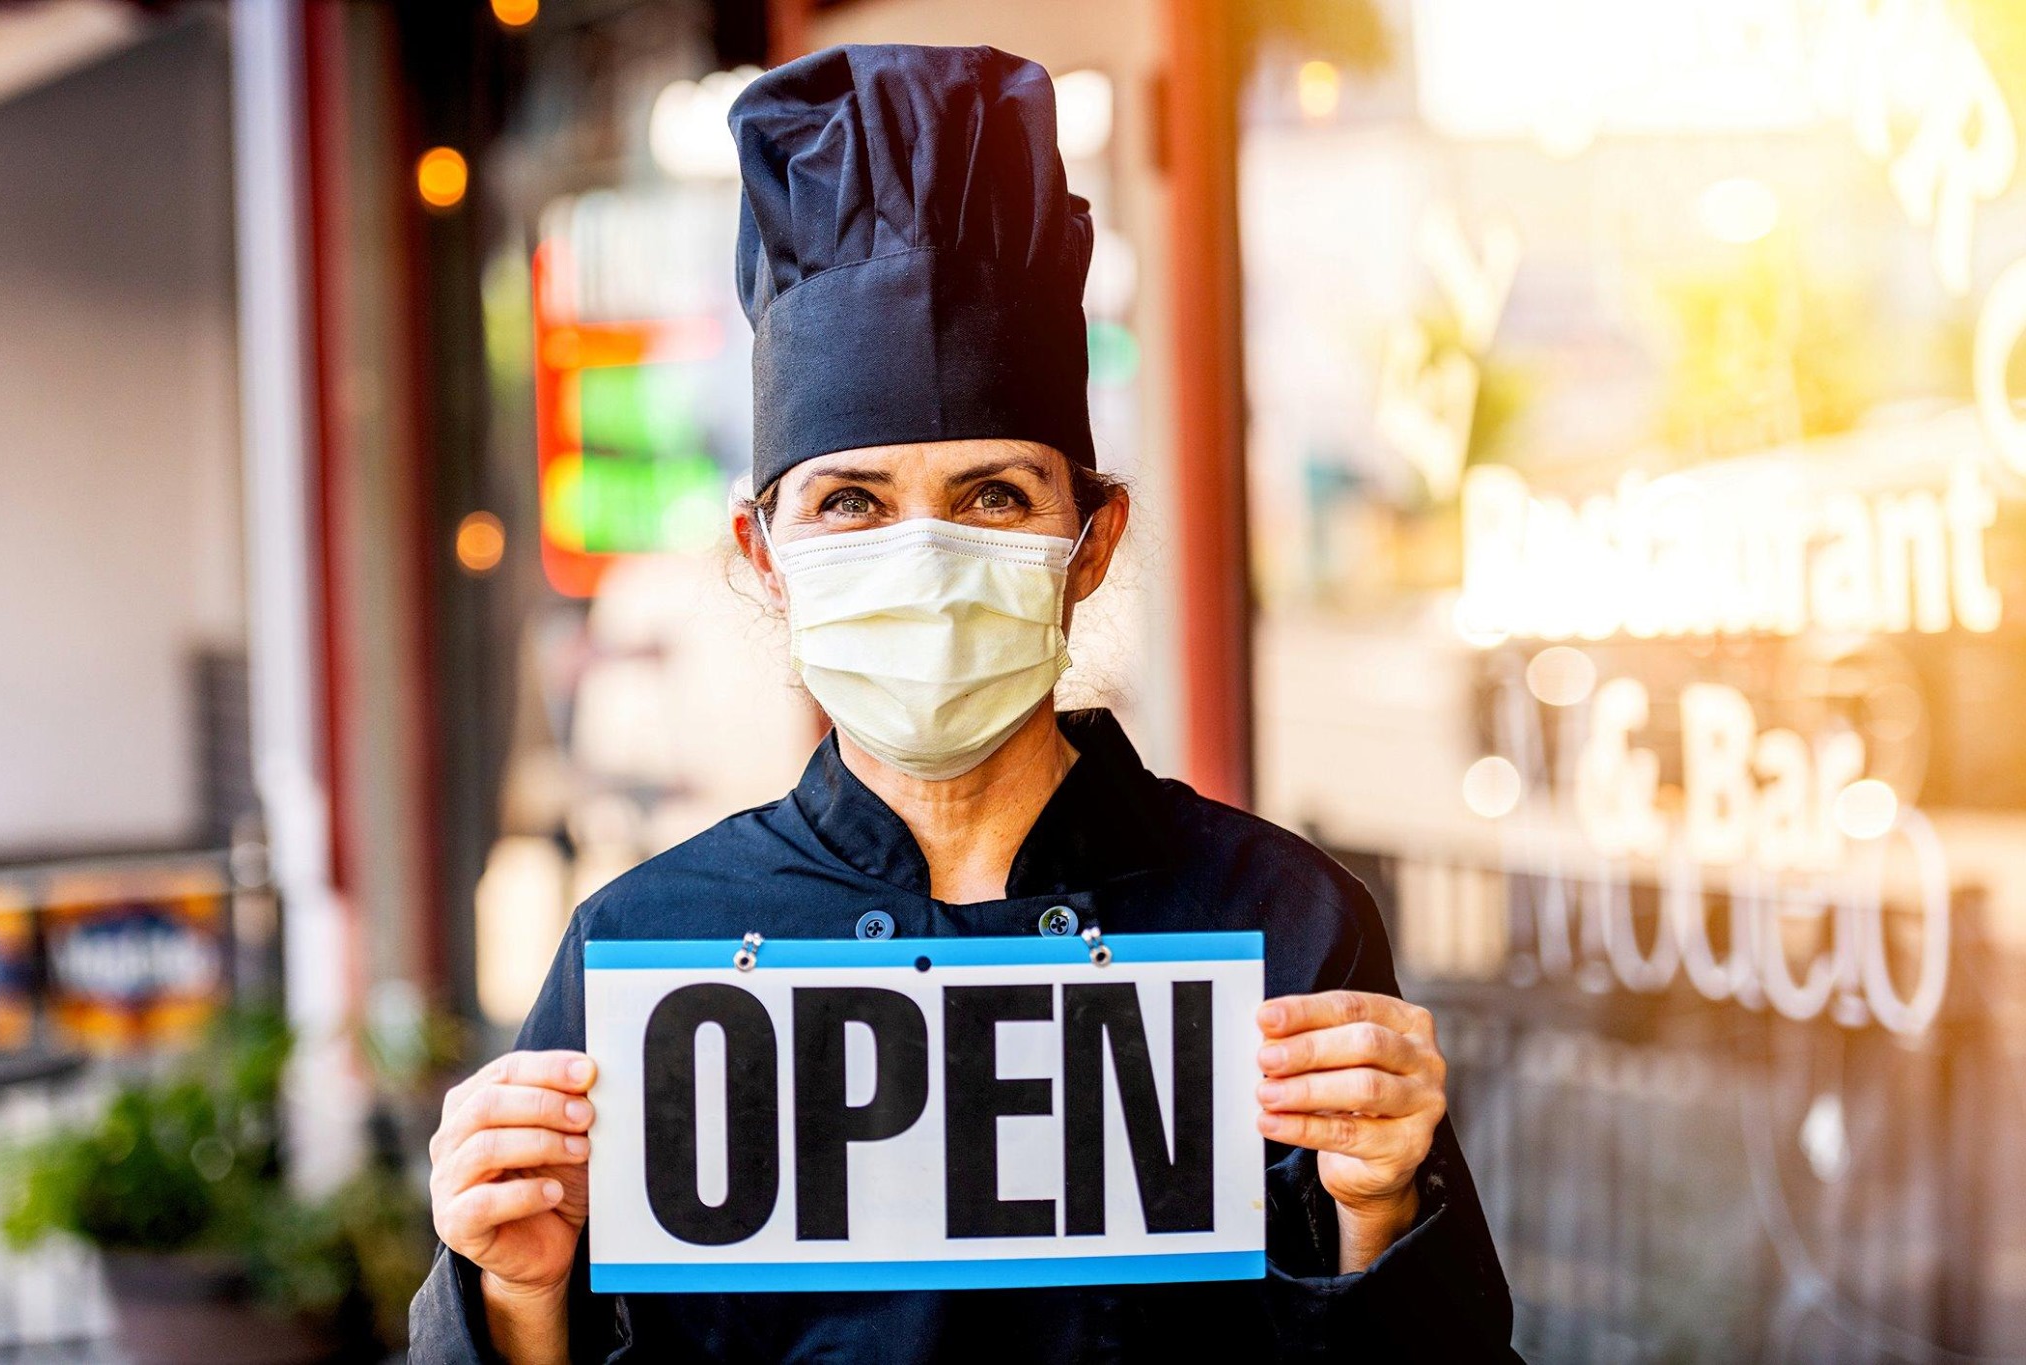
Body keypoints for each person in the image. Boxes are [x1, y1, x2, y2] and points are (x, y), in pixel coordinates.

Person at [411, 43, 1515, 1363]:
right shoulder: (650, 950)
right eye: (852, 502)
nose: (924, 559)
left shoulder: (1276, 926)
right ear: (765, 556)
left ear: (1090, 544)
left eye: (993, 496)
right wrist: (516, 1295)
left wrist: (1380, 1206)